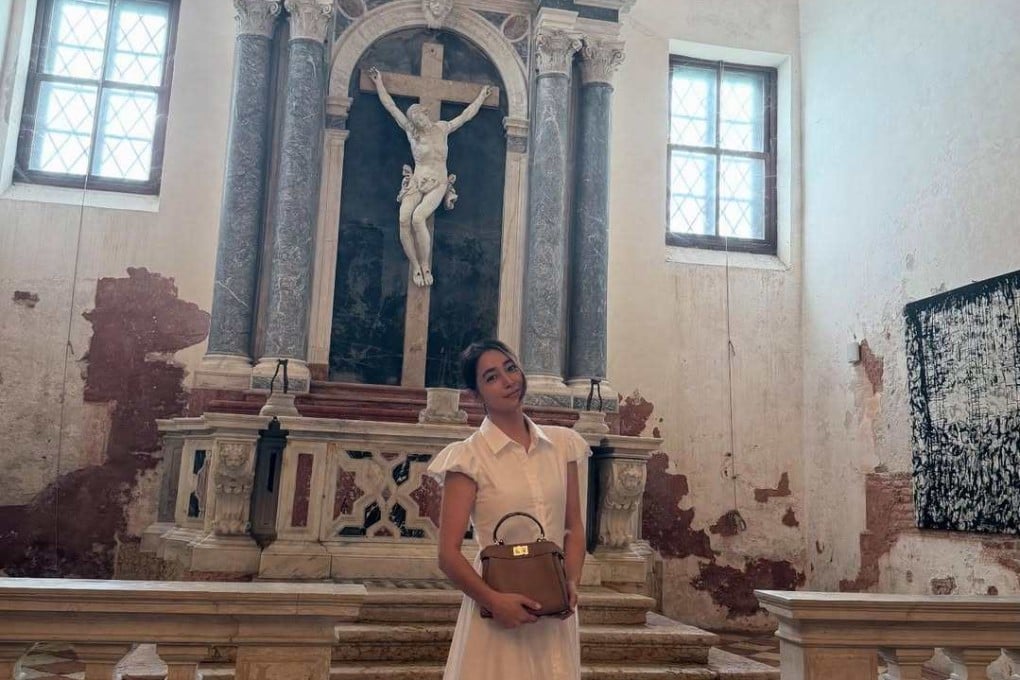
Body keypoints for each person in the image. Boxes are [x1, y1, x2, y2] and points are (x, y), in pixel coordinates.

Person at [427, 339, 587, 679]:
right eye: (492, 377)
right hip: (498, 611)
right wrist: (493, 602)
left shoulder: (562, 445)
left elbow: (573, 528)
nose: (508, 380)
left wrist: (570, 582)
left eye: (510, 368)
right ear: (476, 394)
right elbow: (448, 555)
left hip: (555, 611)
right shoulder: (468, 456)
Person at [368, 67, 493, 288]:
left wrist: (481, 98)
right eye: (416, 121)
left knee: (418, 218)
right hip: (417, 180)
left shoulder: (442, 128)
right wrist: (379, 83)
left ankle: (425, 264)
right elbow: (391, 107)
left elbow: (464, 117)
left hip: (438, 181)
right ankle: (415, 265)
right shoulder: (411, 132)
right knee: (403, 219)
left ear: (426, 115)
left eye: (421, 118)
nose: (420, 123)